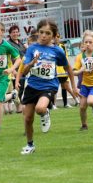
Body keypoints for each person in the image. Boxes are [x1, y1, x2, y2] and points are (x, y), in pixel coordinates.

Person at [20, 19, 79, 155]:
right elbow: (24, 72)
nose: (44, 36)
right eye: (41, 32)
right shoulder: (31, 49)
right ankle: (30, 145)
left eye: (47, 33)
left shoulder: (57, 50)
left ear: (53, 35)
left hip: (49, 85)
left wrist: (74, 87)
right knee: (28, 118)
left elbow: (68, 68)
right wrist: (32, 63)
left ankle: (45, 112)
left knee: (40, 108)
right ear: (38, 33)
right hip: (33, 85)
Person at [55, 33, 79, 108]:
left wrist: (68, 68)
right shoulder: (51, 47)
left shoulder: (62, 46)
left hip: (63, 69)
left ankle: (67, 103)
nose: (57, 38)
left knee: (65, 86)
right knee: (55, 87)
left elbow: (66, 58)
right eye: (55, 36)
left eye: (58, 37)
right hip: (55, 70)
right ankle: (53, 104)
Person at [7, 25, 27, 113]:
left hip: (23, 69)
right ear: (10, 34)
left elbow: (24, 54)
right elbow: (9, 58)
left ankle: (18, 106)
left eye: (16, 32)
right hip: (14, 69)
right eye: (13, 32)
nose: (15, 34)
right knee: (15, 88)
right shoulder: (8, 44)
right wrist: (13, 70)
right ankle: (16, 107)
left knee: (21, 88)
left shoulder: (21, 43)